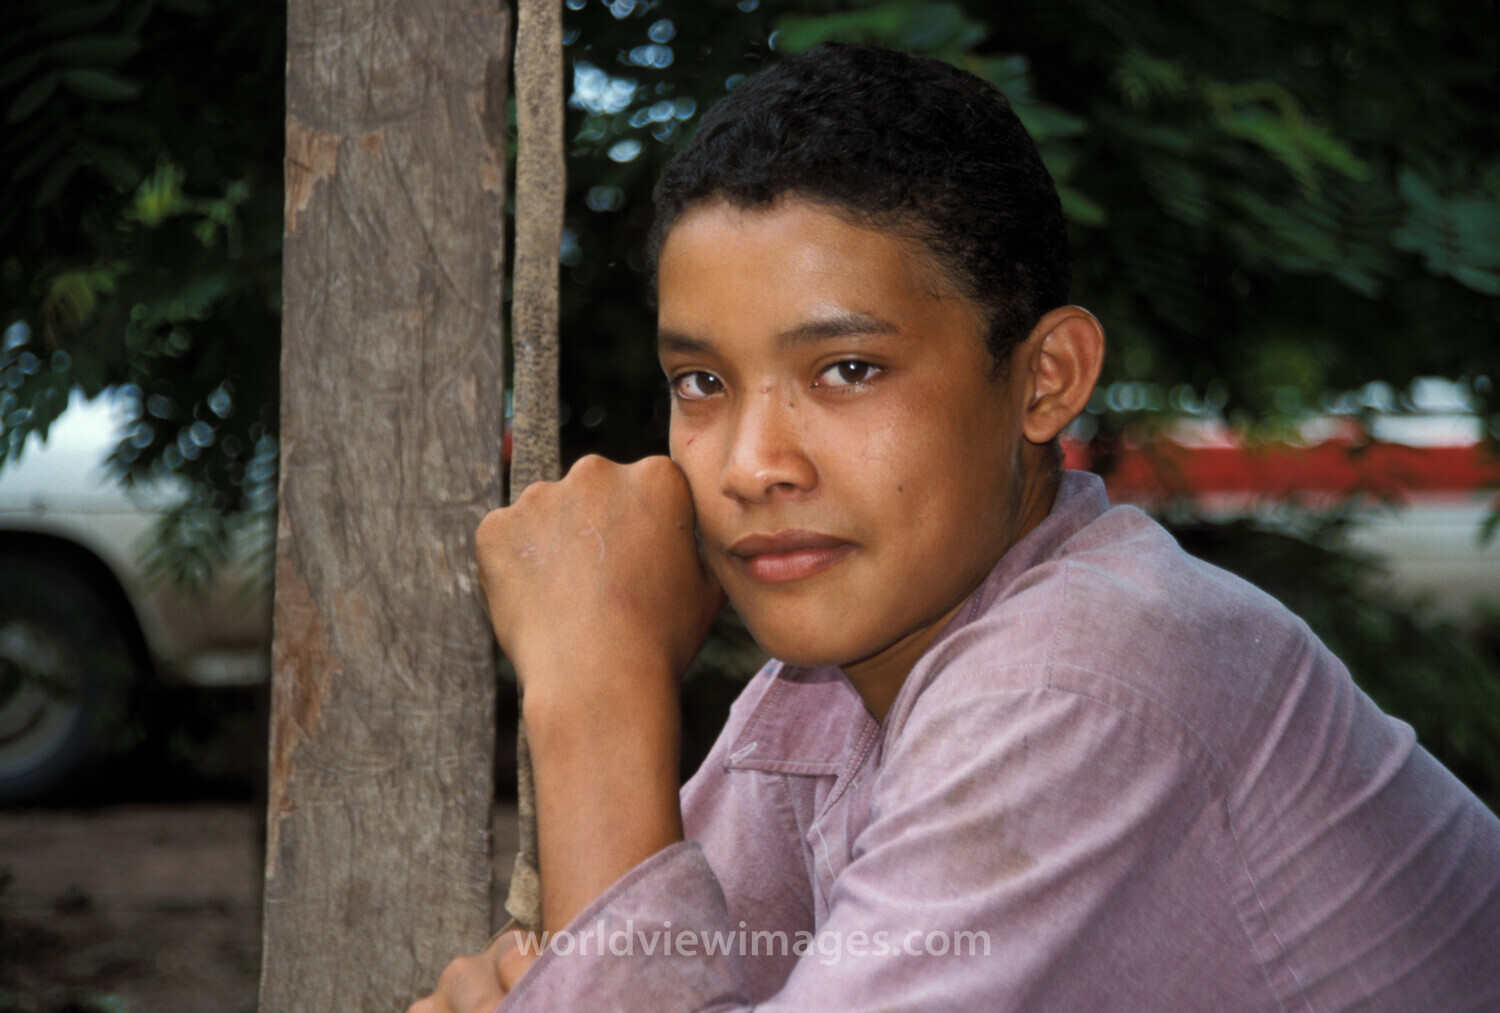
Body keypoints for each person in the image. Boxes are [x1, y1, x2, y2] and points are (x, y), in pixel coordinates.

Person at [411, 43, 1500, 1012]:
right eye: (701, 380)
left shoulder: (1075, 682)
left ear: (1045, 378)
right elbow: (656, 964)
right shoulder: (829, 692)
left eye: (847, 370)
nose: (750, 465)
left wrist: (595, 696)